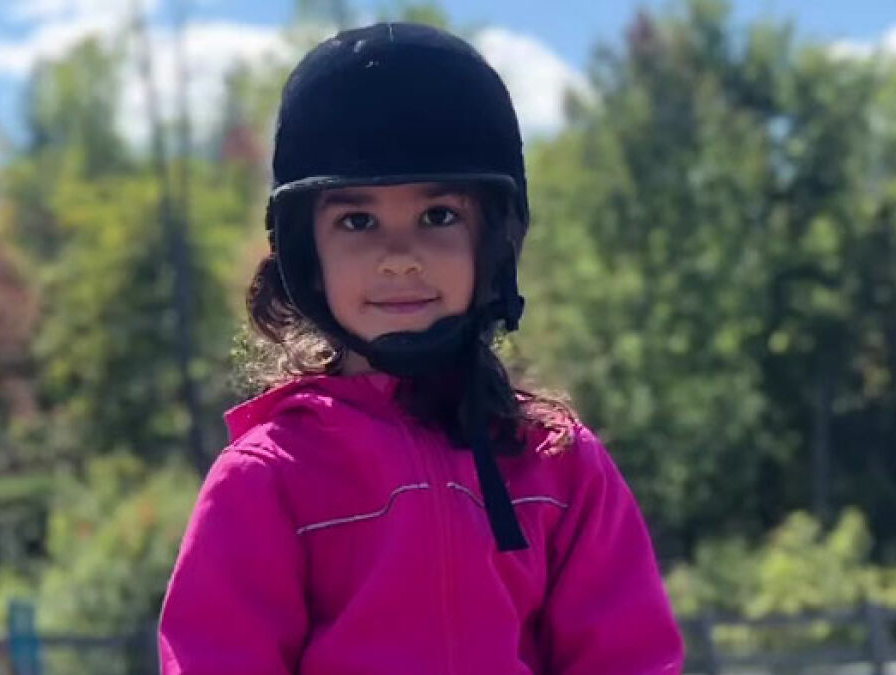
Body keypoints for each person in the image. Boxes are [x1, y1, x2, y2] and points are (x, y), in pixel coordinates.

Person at [158, 21, 684, 675]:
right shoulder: (267, 479)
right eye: (358, 220)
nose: (399, 258)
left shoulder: (559, 465)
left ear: (492, 241)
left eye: (439, 216)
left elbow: (629, 657)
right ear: (307, 254)